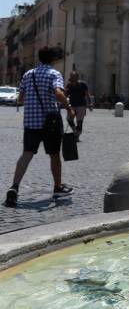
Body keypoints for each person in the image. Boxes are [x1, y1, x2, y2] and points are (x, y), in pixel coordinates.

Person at [5, 46, 76, 207]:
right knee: (54, 155)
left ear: (39, 58)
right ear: (52, 60)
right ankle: (57, 187)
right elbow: (58, 93)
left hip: (31, 122)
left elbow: (21, 98)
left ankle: (14, 187)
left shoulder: (28, 74)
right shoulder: (54, 74)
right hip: (50, 122)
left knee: (27, 154)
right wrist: (69, 108)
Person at [65, 71, 92, 141]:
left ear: (77, 77)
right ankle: (75, 130)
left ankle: (77, 136)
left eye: (73, 76)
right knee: (69, 119)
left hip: (81, 105)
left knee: (79, 122)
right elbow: (65, 95)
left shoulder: (83, 84)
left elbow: (87, 94)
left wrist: (90, 104)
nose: (72, 78)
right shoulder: (69, 85)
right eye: (71, 76)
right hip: (72, 106)